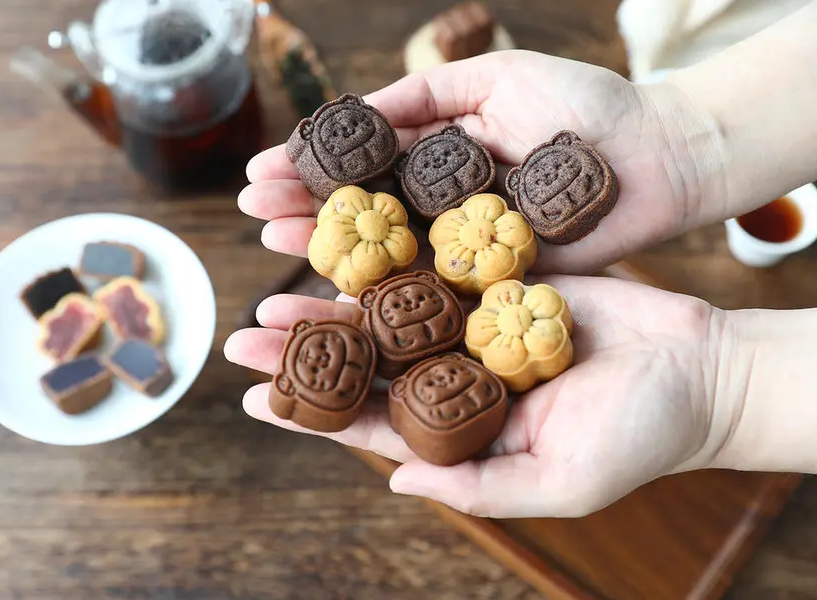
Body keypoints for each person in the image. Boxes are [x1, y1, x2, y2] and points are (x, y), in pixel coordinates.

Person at [224, 1, 817, 519]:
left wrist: (724, 390)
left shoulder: (483, 237)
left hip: (494, 276)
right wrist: (719, 387)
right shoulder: (398, 235)